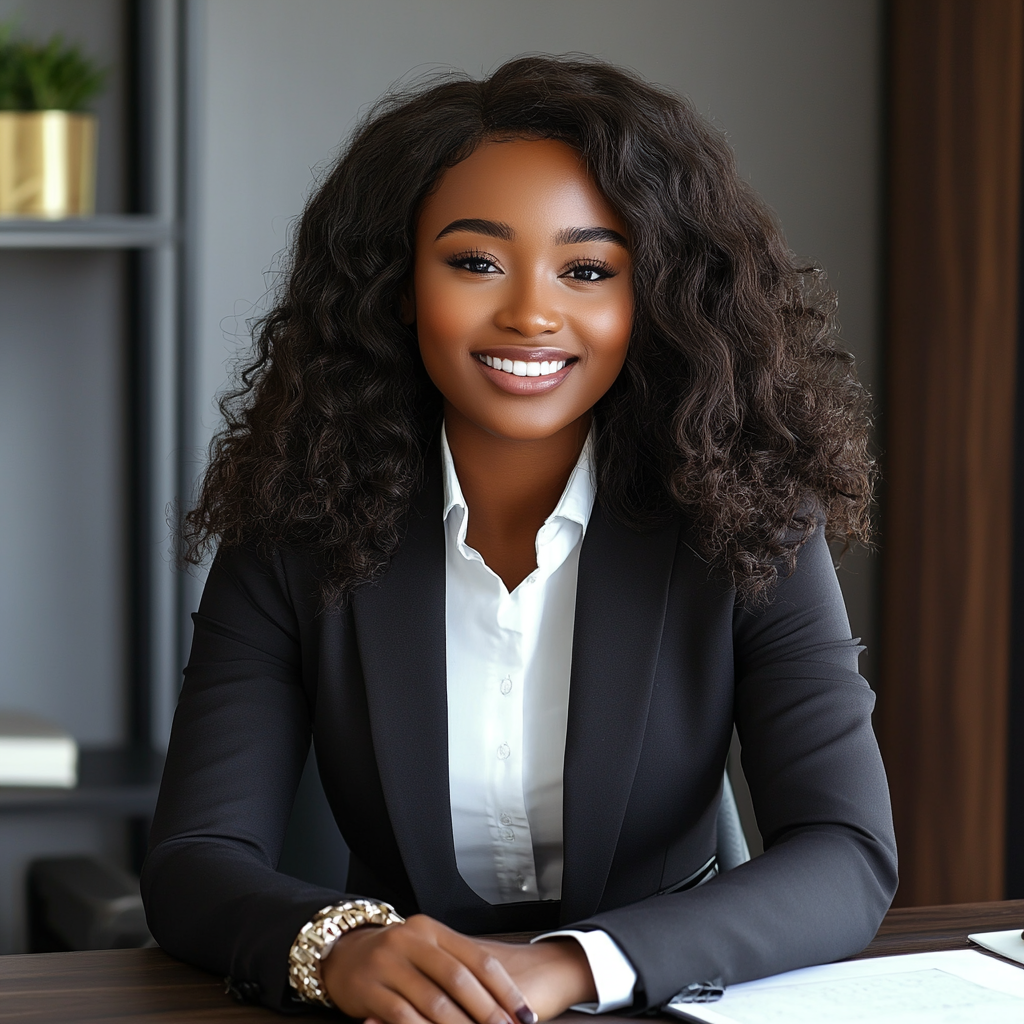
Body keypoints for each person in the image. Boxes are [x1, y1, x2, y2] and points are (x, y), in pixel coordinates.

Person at [141, 54, 897, 1021]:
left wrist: (579, 965)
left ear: (654, 299)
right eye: (475, 262)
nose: (533, 313)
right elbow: (194, 861)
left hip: (660, 993)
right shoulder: (296, 520)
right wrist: (340, 947)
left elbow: (848, 853)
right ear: (399, 283)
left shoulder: (747, 516)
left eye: (588, 269)